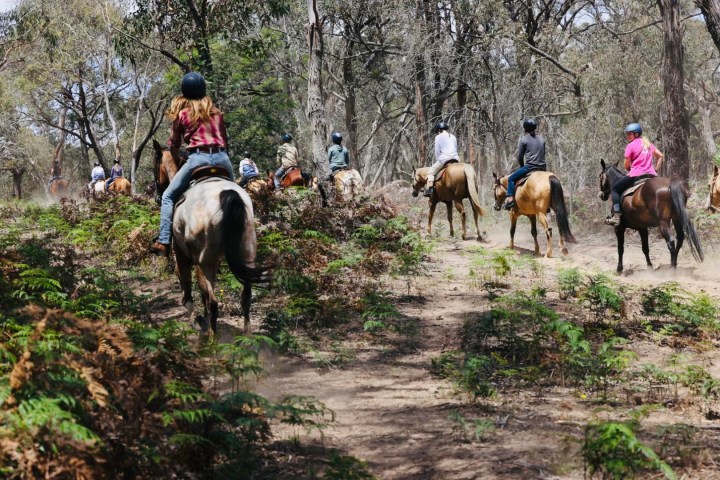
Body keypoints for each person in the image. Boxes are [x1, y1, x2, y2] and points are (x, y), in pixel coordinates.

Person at [149, 72, 234, 257]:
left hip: (197, 159)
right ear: (204, 90)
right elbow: (225, 142)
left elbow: (174, 144)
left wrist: (178, 158)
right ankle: (245, 231)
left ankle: (163, 241)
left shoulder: (182, 114)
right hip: (222, 159)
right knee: (236, 194)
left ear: (184, 92)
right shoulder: (217, 113)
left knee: (168, 197)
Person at [605, 123, 664, 226]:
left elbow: (626, 166)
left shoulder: (630, 146)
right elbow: (660, 156)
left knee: (614, 189)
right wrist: (656, 169)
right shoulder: (648, 144)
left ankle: (616, 217)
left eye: (630, 134)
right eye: (627, 134)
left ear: (636, 134)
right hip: (651, 175)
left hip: (636, 174)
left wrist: (630, 167)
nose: (628, 136)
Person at [503, 118, 547, 210]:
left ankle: (510, 199)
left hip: (530, 167)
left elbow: (520, 157)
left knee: (511, 178)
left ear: (525, 128)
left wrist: (522, 166)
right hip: (543, 168)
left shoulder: (524, 140)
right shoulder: (542, 139)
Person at [424, 121, 459, 198]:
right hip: (456, 158)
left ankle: (429, 190)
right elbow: (456, 148)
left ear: (439, 130)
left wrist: (438, 159)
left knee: (430, 173)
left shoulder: (438, 137)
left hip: (444, 159)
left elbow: (437, 150)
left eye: (437, 131)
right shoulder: (453, 136)